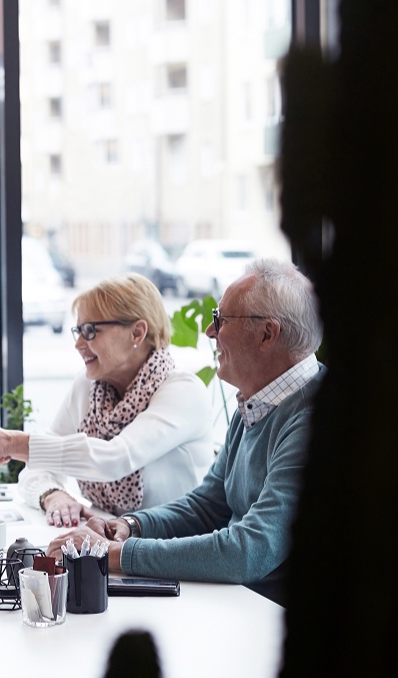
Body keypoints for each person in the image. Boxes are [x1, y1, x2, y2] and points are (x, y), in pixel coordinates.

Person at [42, 258, 323, 604]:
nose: (209, 331)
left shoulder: (314, 418)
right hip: (241, 602)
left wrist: (115, 554)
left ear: (267, 334)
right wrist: (129, 526)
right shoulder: (258, 402)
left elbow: (249, 551)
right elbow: (208, 507)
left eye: (221, 320)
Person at [0, 273, 214, 528]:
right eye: (77, 330)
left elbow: (115, 459)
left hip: (175, 551)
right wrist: (53, 495)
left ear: (137, 333)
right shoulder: (89, 388)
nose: (78, 344)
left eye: (90, 331)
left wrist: (12, 444)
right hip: (114, 545)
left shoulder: (183, 391)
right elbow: (37, 468)